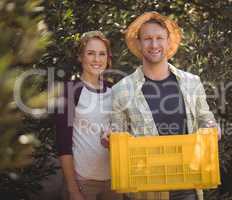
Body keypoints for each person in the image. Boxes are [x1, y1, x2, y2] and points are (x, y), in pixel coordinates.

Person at [111, 12, 219, 200]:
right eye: (147, 39)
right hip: (146, 187)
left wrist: (212, 126)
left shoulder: (192, 82)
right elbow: (117, 130)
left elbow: (205, 117)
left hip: (188, 184)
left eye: (159, 38)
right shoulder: (122, 90)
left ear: (169, 42)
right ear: (138, 43)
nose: (154, 45)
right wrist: (109, 137)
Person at [55, 31, 122, 200]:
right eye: (90, 53)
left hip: (115, 182)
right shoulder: (70, 91)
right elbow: (63, 144)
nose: (97, 59)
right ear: (80, 57)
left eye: (102, 54)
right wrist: (73, 190)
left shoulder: (115, 91)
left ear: (108, 58)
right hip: (83, 183)